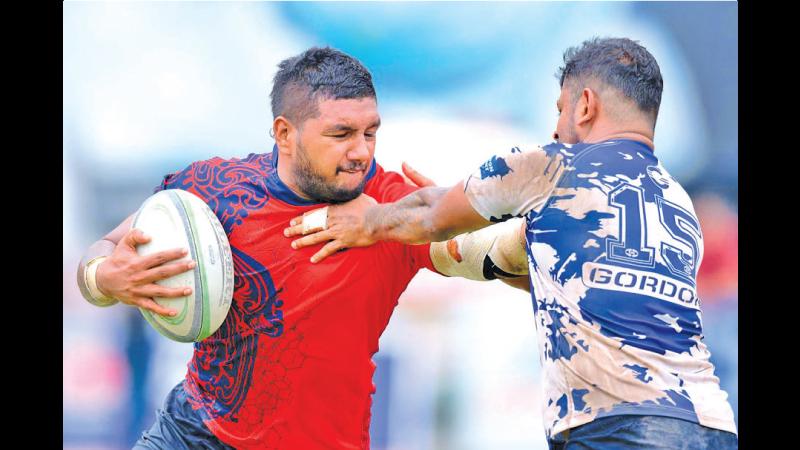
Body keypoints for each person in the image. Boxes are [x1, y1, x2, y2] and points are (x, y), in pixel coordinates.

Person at [286, 38, 738, 449]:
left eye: (560, 109)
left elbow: (427, 218)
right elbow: (552, 277)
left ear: (585, 105)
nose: (556, 126)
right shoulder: (676, 202)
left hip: (619, 427)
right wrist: (454, 225)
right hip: (711, 425)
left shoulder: (553, 164)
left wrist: (368, 222)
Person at [75, 47, 529, 450]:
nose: (360, 152)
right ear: (284, 133)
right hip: (192, 432)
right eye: (340, 134)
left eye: (370, 132)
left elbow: (488, 254)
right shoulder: (216, 188)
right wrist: (103, 277)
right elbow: (107, 249)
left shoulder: (391, 207)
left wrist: (549, 247)